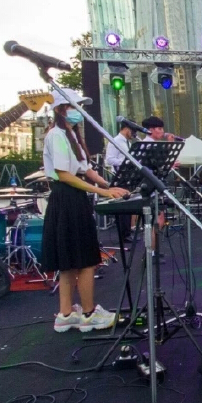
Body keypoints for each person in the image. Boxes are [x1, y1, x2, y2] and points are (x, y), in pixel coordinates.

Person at [41, 91, 128, 334]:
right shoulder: (57, 136)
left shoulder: (71, 136)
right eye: (75, 106)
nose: (80, 110)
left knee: (69, 262)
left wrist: (109, 186)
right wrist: (100, 191)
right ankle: (89, 314)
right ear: (61, 109)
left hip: (70, 196)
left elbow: (86, 169)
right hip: (67, 196)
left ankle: (66, 314)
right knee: (87, 260)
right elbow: (65, 174)